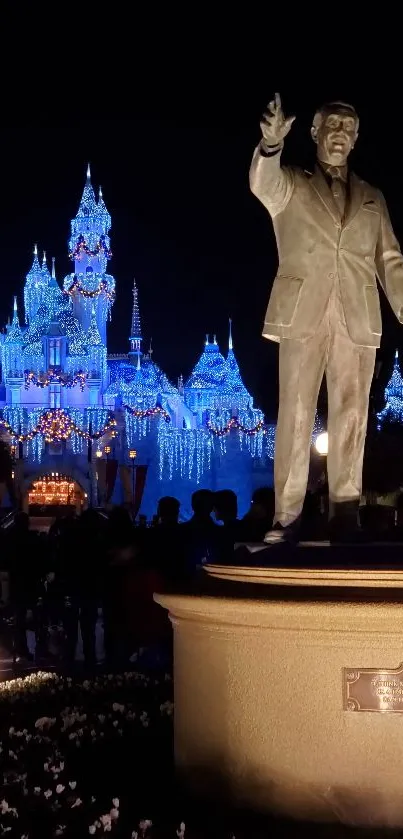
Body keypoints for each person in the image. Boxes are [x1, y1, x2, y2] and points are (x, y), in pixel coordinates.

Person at [250, 94, 403, 543]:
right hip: (303, 312)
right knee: (296, 412)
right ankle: (289, 513)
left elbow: (391, 261)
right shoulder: (293, 185)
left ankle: (344, 510)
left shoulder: (373, 197)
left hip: (357, 317)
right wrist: (271, 146)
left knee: (353, 415)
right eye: (332, 125)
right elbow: (264, 183)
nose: (340, 133)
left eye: (349, 128)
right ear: (314, 132)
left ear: (356, 140)